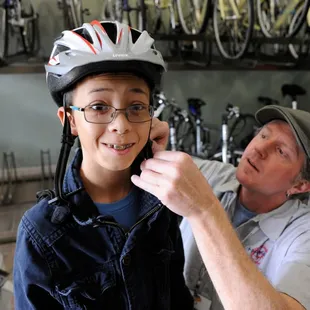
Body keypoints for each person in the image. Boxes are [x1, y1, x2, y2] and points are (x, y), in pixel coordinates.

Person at [13, 20, 193, 310]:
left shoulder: (162, 205)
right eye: (99, 107)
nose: (121, 126)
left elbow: (177, 298)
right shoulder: (42, 233)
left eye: (136, 107)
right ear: (70, 120)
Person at [132, 105, 310, 310]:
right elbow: (142, 168)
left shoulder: (302, 234)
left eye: (280, 151)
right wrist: (145, 138)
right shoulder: (213, 176)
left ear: (300, 185)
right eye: (263, 135)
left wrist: (204, 212)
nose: (259, 149)